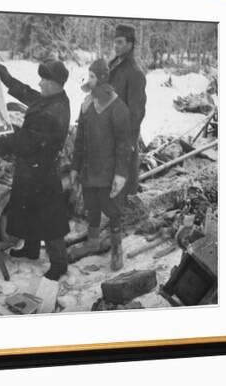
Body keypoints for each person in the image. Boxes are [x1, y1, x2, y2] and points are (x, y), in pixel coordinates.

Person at [0, 60, 71, 280]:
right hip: (33, 166)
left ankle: (60, 263)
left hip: (42, 170)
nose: (40, 83)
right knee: (30, 209)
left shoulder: (53, 112)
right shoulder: (53, 99)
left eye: (44, 79)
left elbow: (25, 142)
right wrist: (7, 79)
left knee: (49, 218)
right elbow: (28, 94)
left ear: (55, 83)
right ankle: (31, 249)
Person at [71, 59, 132, 271]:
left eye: (93, 77)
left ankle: (116, 248)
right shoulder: (87, 104)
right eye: (88, 76)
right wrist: (75, 167)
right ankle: (93, 241)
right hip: (89, 170)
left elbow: (125, 145)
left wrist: (121, 174)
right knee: (92, 207)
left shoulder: (117, 107)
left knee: (113, 211)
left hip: (108, 172)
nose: (89, 81)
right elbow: (79, 139)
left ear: (103, 79)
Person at [108, 24, 147, 195]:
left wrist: (127, 143)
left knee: (123, 187)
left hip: (122, 137)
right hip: (109, 132)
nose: (116, 46)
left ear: (130, 44)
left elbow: (136, 114)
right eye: (114, 42)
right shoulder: (115, 63)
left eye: (120, 42)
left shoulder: (134, 72)